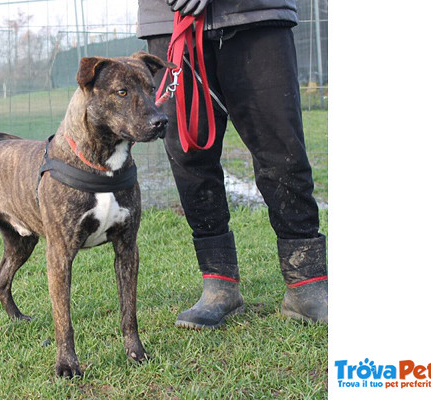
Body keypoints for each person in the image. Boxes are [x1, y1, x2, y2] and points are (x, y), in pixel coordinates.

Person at [137, 0, 327, 327]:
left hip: (256, 14)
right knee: (188, 157)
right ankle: (219, 285)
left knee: (281, 149)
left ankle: (307, 285)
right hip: (169, 23)